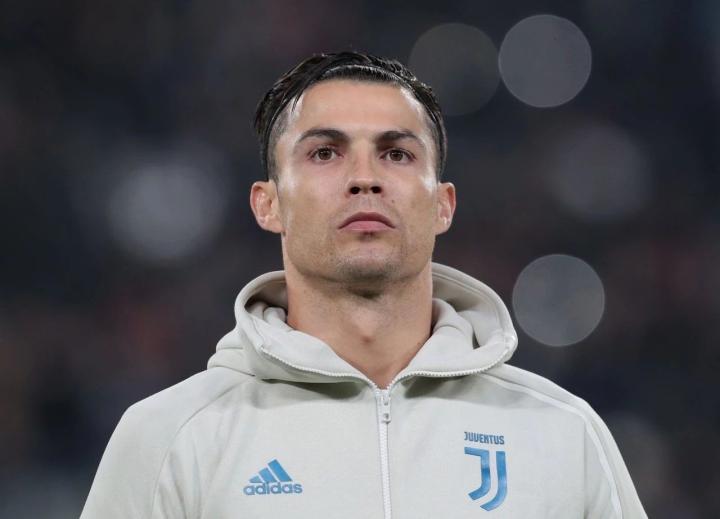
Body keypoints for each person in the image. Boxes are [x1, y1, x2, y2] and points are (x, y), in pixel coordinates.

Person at [81, 52, 647, 518]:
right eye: (325, 153)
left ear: (443, 205)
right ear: (268, 204)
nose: (364, 178)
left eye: (396, 153)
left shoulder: (562, 434)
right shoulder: (170, 436)